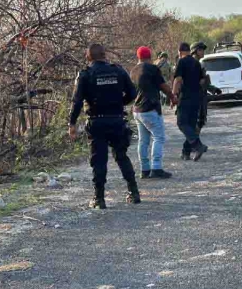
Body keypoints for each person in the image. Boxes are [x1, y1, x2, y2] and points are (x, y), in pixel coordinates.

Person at [68, 44, 140, 209]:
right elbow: (133, 93)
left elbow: (77, 101)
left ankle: (99, 198)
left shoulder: (85, 74)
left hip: (96, 121)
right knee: (121, 156)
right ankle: (134, 193)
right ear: (104, 55)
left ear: (88, 57)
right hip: (117, 120)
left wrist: (71, 123)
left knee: (99, 160)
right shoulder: (118, 71)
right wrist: (118, 103)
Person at [130, 46, 178, 180]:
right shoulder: (152, 69)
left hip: (137, 110)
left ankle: (144, 170)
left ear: (138, 57)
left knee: (143, 140)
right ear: (149, 57)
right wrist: (172, 97)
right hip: (150, 109)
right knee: (159, 137)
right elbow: (163, 86)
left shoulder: (133, 71)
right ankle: (156, 168)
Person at [172, 42, 208, 161]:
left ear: (180, 52)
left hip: (185, 97)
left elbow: (177, 80)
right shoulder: (197, 63)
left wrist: (173, 96)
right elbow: (201, 81)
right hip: (196, 98)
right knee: (191, 126)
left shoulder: (181, 62)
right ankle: (186, 152)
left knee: (181, 123)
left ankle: (198, 146)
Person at [190, 42, 221, 134]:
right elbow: (198, 81)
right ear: (195, 51)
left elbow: (203, 81)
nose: (203, 52)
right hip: (196, 96)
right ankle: (192, 144)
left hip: (200, 94)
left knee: (200, 120)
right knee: (198, 120)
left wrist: (213, 89)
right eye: (201, 50)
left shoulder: (198, 63)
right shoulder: (194, 64)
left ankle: (193, 143)